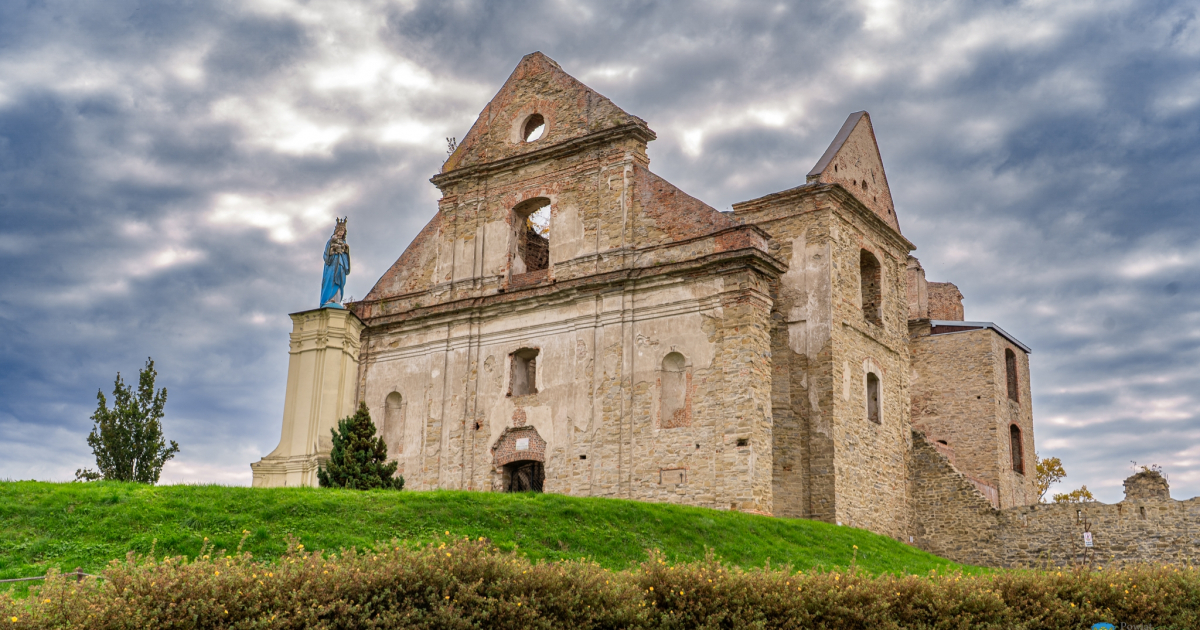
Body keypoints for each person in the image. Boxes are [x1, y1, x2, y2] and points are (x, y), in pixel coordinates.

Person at [320, 218, 350, 307]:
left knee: (340, 281)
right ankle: (328, 299)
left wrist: (346, 251)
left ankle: (337, 299)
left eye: (343, 230)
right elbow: (326, 255)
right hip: (332, 264)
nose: (341, 232)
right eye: (340, 230)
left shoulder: (344, 242)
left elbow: (346, 256)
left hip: (341, 264)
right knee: (331, 280)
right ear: (336, 230)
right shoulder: (331, 240)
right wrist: (333, 250)